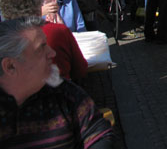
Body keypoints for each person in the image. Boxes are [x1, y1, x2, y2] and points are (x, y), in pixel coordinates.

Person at [0, 17, 113, 148]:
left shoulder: (63, 91)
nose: (52, 53)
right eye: (41, 48)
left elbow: (98, 133)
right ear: (10, 66)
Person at [0, 0, 88, 81]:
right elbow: (80, 70)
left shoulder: (5, 36)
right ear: (38, 4)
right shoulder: (58, 31)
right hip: (58, 92)